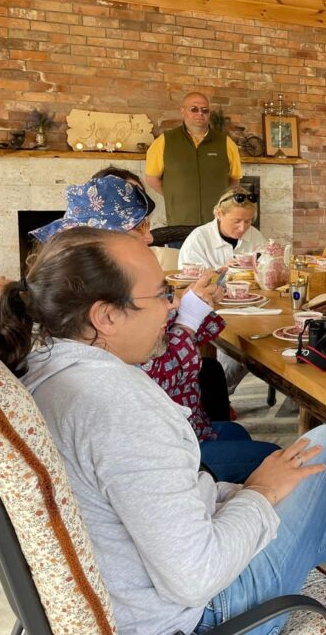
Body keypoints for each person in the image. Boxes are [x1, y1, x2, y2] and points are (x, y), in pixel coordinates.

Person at [0, 229, 326, 635]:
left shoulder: (46, 365)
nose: (172, 306)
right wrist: (260, 493)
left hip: (143, 585)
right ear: (106, 316)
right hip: (203, 624)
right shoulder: (117, 407)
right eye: (161, 294)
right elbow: (196, 575)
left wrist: (237, 496)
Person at [31, 173, 279, 483]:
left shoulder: (86, 294)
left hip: (174, 431)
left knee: (237, 431)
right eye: (139, 227)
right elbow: (161, 374)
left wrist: (192, 308)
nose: (150, 237)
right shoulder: (100, 310)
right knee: (280, 454)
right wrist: (188, 317)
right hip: (170, 447)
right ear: (106, 237)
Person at [144, 92, 243, 226]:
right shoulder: (164, 141)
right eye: (194, 109)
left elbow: (234, 180)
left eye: (205, 110)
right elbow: (151, 179)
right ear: (183, 111)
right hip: (180, 221)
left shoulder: (226, 143)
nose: (200, 113)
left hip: (217, 224)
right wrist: (173, 198)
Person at [179, 186, 265, 269]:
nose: (242, 228)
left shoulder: (255, 235)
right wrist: (222, 271)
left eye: (247, 221)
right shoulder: (198, 238)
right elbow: (189, 280)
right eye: (236, 221)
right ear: (219, 214)